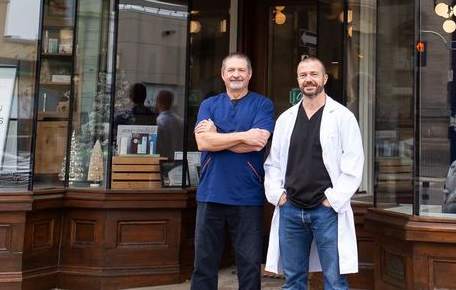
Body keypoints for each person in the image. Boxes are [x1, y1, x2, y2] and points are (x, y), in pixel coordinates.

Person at [264, 57, 364, 290]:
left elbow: (354, 163)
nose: (308, 79)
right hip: (291, 209)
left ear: (324, 79)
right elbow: (273, 163)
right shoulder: (286, 119)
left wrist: (332, 199)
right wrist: (277, 195)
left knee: (335, 281)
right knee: (293, 281)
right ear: (298, 80)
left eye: (314, 74)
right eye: (303, 75)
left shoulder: (342, 116)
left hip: (326, 211)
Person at [191, 53, 274, 290]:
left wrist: (217, 134)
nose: (236, 74)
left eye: (241, 70)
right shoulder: (209, 104)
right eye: (231, 70)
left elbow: (258, 143)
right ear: (223, 75)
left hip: (247, 195)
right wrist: (243, 135)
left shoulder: (263, 104)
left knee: (249, 265)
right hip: (210, 193)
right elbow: (203, 143)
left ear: (249, 74)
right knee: (204, 263)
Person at [154, 89, 184, 161]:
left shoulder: (159, 121)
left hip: (164, 162)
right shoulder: (180, 121)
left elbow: (158, 146)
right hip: (179, 162)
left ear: (158, 102)